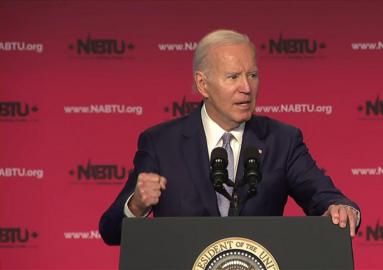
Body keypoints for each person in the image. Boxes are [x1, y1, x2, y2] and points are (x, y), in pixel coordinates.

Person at [99, 29, 360, 245]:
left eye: (252, 75)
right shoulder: (161, 144)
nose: (246, 88)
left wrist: (340, 208)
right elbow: (111, 232)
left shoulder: (282, 140)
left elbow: (325, 196)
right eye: (233, 77)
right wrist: (136, 205)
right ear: (203, 85)